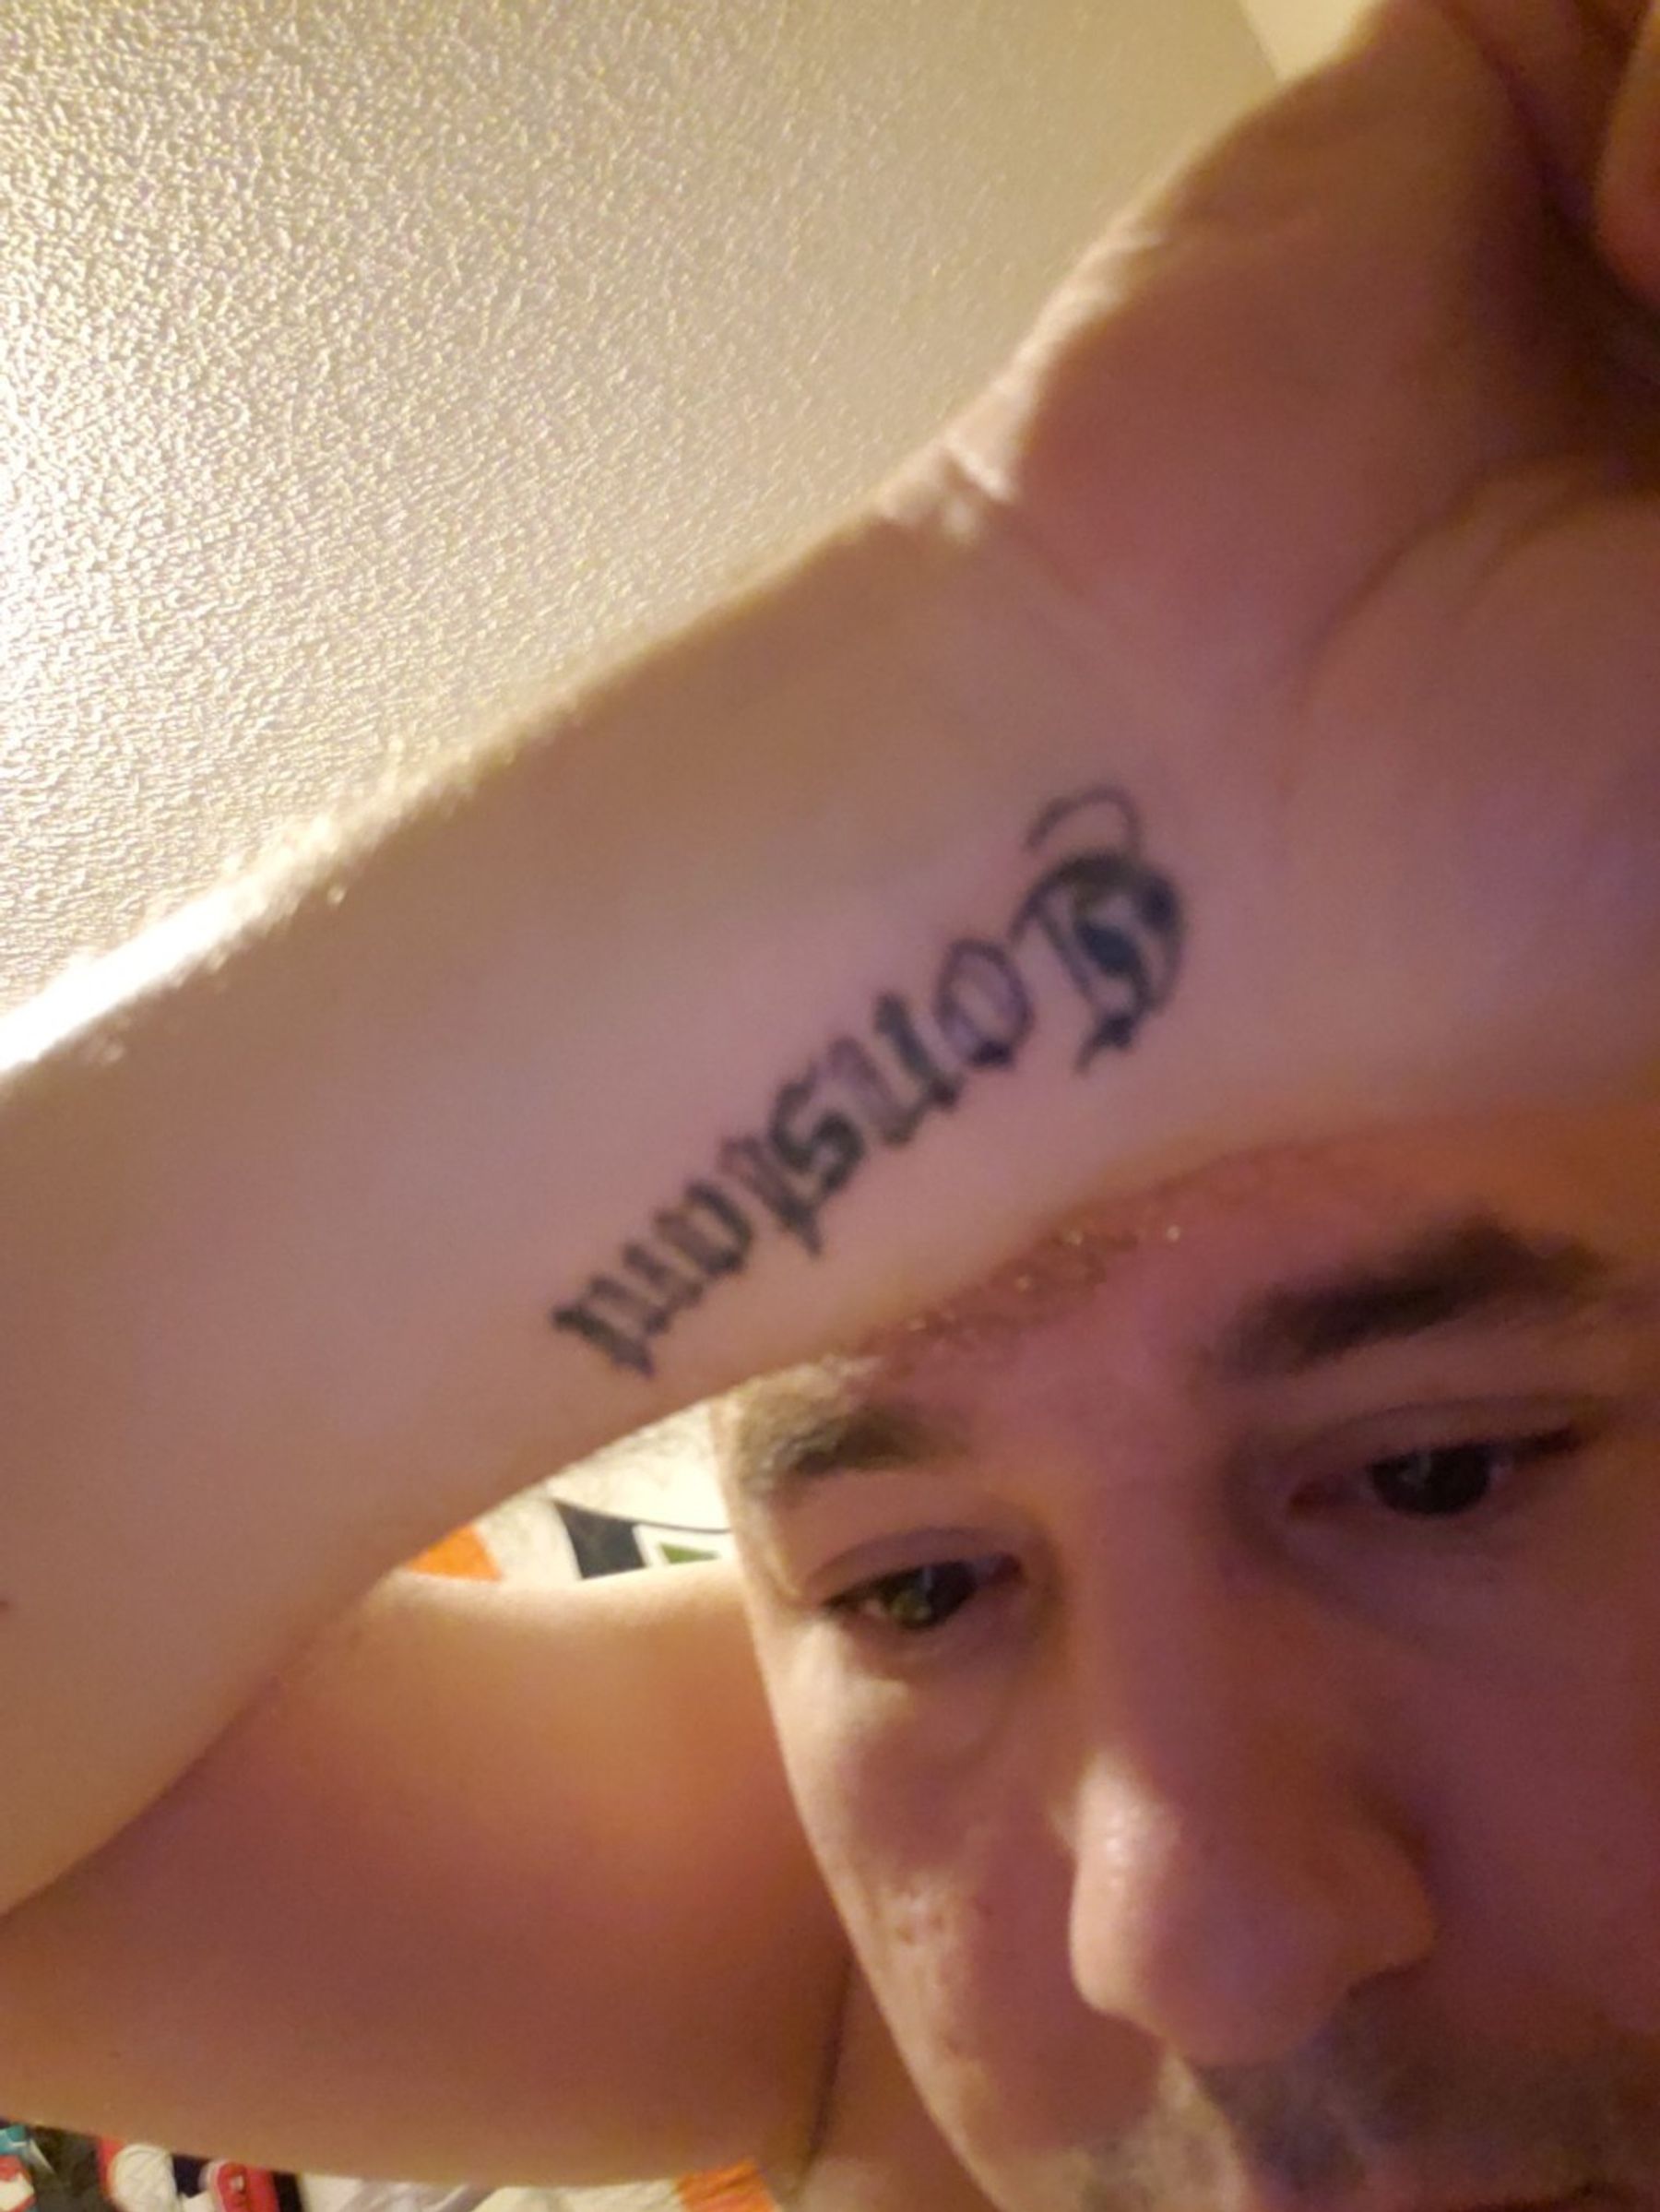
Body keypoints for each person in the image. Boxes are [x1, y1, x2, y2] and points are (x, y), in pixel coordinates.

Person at [2, 0, 1659, 2205]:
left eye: (1442, 1471)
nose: (1196, 1947)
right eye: (919, 1589)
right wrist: (1009, 693)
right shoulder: (820, 1954)